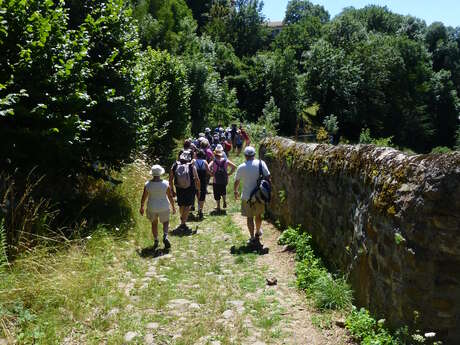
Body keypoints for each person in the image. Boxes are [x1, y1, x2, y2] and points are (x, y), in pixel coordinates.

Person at [234, 146, 270, 245]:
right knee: (258, 215)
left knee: (249, 217)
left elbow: (236, 181)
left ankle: (252, 237)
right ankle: (258, 231)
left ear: (245, 156)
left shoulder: (241, 167)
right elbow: (268, 177)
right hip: (259, 195)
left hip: (246, 196)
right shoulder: (261, 163)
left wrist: (235, 191)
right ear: (254, 155)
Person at [140, 165, 176, 250]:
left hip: (152, 207)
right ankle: (165, 236)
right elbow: (170, 196)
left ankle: (156, 240)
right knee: (166, 222)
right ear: (160, 173)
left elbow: (143, 197)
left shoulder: (148, 184)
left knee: (154, 223)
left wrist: (142, 207)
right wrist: (173, 207)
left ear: (152, 174)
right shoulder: (165, 184)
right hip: (164, 206)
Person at [169, 150, 200, 231]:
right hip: (190, 188)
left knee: (181, 204)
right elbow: (197, 179)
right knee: (188, 205)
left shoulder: (175, 165)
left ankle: (182, 218)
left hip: (179, 188)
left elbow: (171, 178)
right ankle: (183, 223)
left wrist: (172, 189)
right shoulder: (191, 166)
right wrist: (198, 189)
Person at [209, 145, 236, 212]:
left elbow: (208, 167)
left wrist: (211, 174)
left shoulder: (213, 161)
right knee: (223, 190)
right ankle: (224, 200)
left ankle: (218, 206)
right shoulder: (226, 160)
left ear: (215, 155)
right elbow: (234, 166)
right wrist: (229, 173)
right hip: (224, 179)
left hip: (216, 180)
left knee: (216, 193)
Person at [195, 150, 211, 220]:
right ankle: (200, 210)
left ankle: (195, 207)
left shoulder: (193, 161)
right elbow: (208, 171)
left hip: (195, 180)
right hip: (203, 181)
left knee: (196, 193)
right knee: (202, 195)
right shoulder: (204, 162)